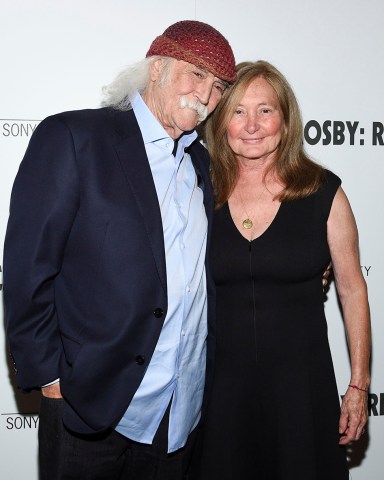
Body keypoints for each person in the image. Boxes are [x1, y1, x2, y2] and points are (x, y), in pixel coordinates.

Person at [3, 20, 236, 480]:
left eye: (218, 86)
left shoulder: (201, 161)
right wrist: (50, 380)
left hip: (177, 413)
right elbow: (28, 269)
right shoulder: (75, 138)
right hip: (88, 406)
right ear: (157, 68)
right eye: (196, 74)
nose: (207, 96)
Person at [191, 60, 371, 479]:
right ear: (220, 121)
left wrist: (359, 385)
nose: (252, 125)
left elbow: (352, 289)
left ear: (285, 120)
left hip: (301, 394)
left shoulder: (324, 192)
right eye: (238, 111)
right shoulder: (197, 190)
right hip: (220, 396)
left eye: (265, 110)